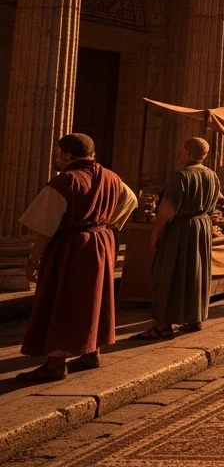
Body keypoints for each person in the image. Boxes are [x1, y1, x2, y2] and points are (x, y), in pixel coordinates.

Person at [16, 134, 137, 381]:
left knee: (63, 301)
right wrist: (106, 225)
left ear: (68, 155)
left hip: (72, 247)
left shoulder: (64, 182)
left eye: (58, 153)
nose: (56, 157)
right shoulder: (112, 177)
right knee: (93, 298)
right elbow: (131, 200)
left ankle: (55, 365)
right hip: (101, 244)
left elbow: (44, 227)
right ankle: (91, 353)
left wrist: (32, 260)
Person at [136, 137, 220, 340]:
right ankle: (194, 318)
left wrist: (156, 232)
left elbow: (166, 209)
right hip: (202, 227)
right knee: (195, 272)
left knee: (168, 273)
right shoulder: (212, 175)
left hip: (181, 228)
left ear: (187, 152)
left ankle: (163, 325)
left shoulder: (180, 176)